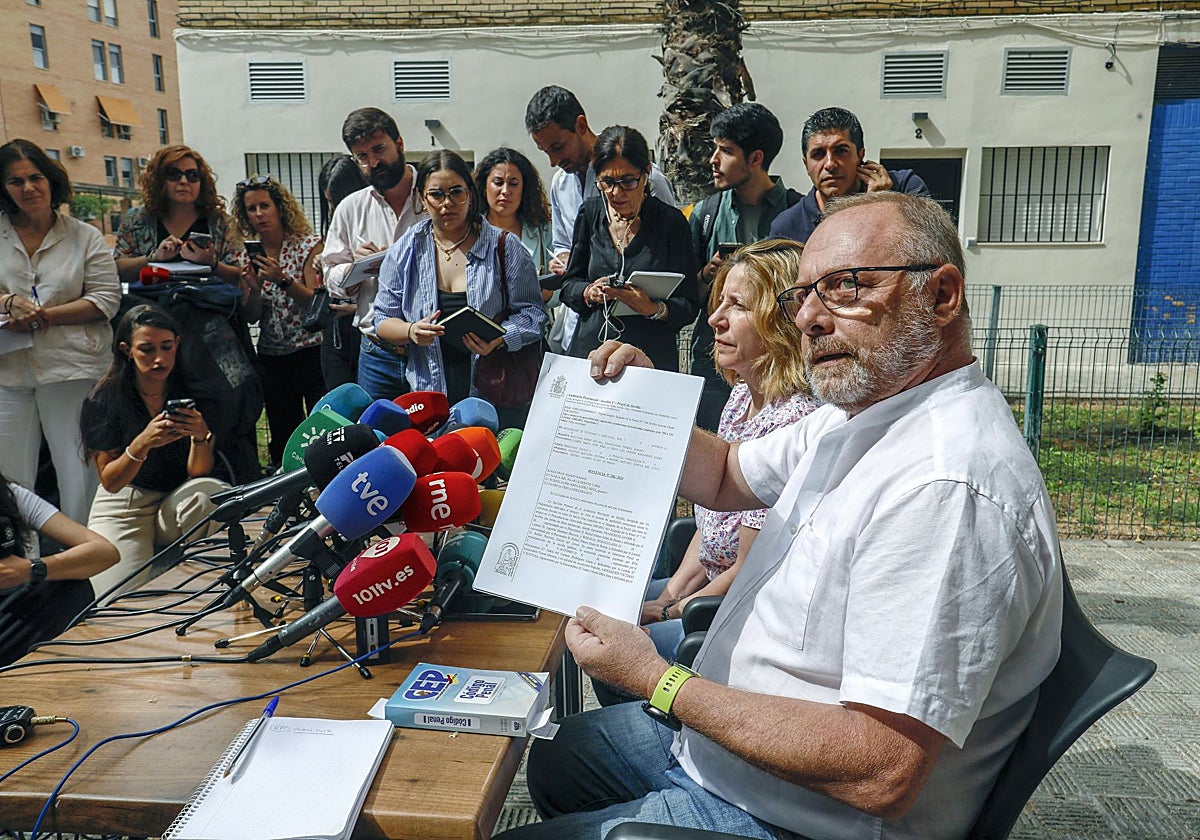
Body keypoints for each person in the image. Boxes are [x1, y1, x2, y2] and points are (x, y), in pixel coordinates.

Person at [497, 192, 1063, 840]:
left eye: (846, 287)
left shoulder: (944, 487)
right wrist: (647, 404)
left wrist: (658, 679)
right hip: (725, 755)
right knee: (556, 760)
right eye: (803, 296)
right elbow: (724, 474)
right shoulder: (859, 412)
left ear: (941, 296)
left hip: (789, 816)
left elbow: (883, 769)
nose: (811, 319)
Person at [641, 239, 819, 658]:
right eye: (719, 302)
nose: (715, 318)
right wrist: (666, 597)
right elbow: (709, 527)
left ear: (782, 320)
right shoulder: (740, 399)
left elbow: (747, 569)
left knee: (619, 642)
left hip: (742, 610)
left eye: (737, 305)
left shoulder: (793, 422)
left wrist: (671, 611)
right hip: (706, 588)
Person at [374, 151, 547, 427]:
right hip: (428, 399)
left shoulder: (504, 246)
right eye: (436, 194)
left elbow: (534, 316)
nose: (447, 203)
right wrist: (410, 331)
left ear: (470, 192)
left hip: (495, 394)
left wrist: (499, 338)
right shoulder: (406, 249)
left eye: (456, 192)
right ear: (422, 198)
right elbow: (382, 319)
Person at [0, 139, 121, 525]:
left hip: (72, 369)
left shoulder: (84, 236)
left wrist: (43, 315)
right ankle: (23, 563)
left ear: (52, 181)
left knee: (78, 474)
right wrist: (8, 305)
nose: (27, 188)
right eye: (15, 181)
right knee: (11, 478)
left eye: (35, 177)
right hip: (8, 371)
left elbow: (106, 298)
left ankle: (84, 564)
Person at [81, 305, 227, 599]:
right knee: (115, 601)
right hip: (126, 502)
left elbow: (198, 473)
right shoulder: (105, 398)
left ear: (177, 343)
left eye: (166, 347)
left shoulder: (192, 388)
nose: (159, 359)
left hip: (177, 496)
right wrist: (141, 443)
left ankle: (200, 584)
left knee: (211, 495)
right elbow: (111, 482)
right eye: (146, 349)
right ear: (126, 350)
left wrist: (200, 437)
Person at [525, 85, 677, 353]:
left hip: (643, 333)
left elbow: (668, 250)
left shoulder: (650, 180)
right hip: (583, 326)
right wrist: (564, 262)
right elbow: (562, 244)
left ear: (581, 125)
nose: (553, 160)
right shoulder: (560, 183)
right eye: (544, 151)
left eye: (558, 147)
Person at [689, 103, 803, 431]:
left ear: (755, 159)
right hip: (713, 361)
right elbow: (685, 299)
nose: (713, 160)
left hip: (778, 366)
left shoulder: (798, 212)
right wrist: (707, 276)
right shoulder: (705, 214)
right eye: (715, 149)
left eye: (725, 151)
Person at [558, 126, 698, 371]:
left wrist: (653, 309)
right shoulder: (590, 214)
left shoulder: (670, 222)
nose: (616, 193)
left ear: (646, 175)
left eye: (628, 182)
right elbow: (569, 286)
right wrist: (589, 292)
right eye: (607, 182)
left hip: (649, 361)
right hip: (591, 354)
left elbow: (688, 304)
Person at [322, 108, 426, 401]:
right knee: (377, 439)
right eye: (362, 156)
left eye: (379, 149)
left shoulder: (434, 195)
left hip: (432, 348)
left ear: (400, 143)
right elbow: (331, 275)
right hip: (376, 351)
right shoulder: (350, 208)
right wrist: (356, 268)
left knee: (438, 438)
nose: (373, 162)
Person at [232, 175, 324, 469]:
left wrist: (283, 279)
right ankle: (288, 492)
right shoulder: (248, 254)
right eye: (251, 209)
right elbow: (252, 316)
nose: (258, 214)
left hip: (312, 350)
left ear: (279, 208)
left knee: (322, 426)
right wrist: (255, 288)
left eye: (264, 206)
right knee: (283, 432)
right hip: (273, 354)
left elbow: (316, 302)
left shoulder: (308, 246)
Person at [0, 474, 118, 666]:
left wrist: (30, 570)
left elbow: (105, 552)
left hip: (11, 609)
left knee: (70, 585)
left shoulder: (11, 494)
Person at [769, 106, 931, 243]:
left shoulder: (903, 189)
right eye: (818, 154)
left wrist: (881, 206)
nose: (830, 164)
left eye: (841, 151)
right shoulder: (787, 228)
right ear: (806, 165)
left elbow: (931, 250)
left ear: (860, 155)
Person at [113, 144, 240, 284]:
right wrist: (153, 257)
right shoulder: (137, 220)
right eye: (174, 175)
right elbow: (116, 269)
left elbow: (240, 276)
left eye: (192, 175)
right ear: (159, 180)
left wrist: (212, 263)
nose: (184, 181)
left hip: (208, 302)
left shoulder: (220, 222)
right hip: (150, 301)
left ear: (202, 182)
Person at [317, 154, 368, 390]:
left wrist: (357, 308)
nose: (338, 210)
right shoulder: (335, 225)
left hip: (370, 337)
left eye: (341, 200)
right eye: (330, 203)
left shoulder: (374, 217)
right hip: (337, 336)